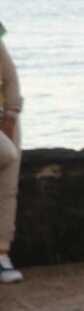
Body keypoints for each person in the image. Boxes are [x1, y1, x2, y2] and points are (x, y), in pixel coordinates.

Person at [0, 23, 20, 282]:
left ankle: (2, 255)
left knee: (7, 190)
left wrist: (11, 116)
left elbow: (11, 77)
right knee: (9, 155)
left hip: (7, 118)